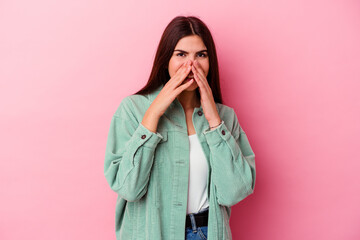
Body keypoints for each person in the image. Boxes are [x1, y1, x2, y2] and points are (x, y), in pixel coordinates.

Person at [104, 15, 256, 240]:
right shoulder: (132, 109)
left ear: (209, 61)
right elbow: (128, 188)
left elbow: (234, 191)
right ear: (166, 59)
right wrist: (153, 114)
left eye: (201, 55)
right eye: (181, 55)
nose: (191, 64)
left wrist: (214, 120)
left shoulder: (225, 117)